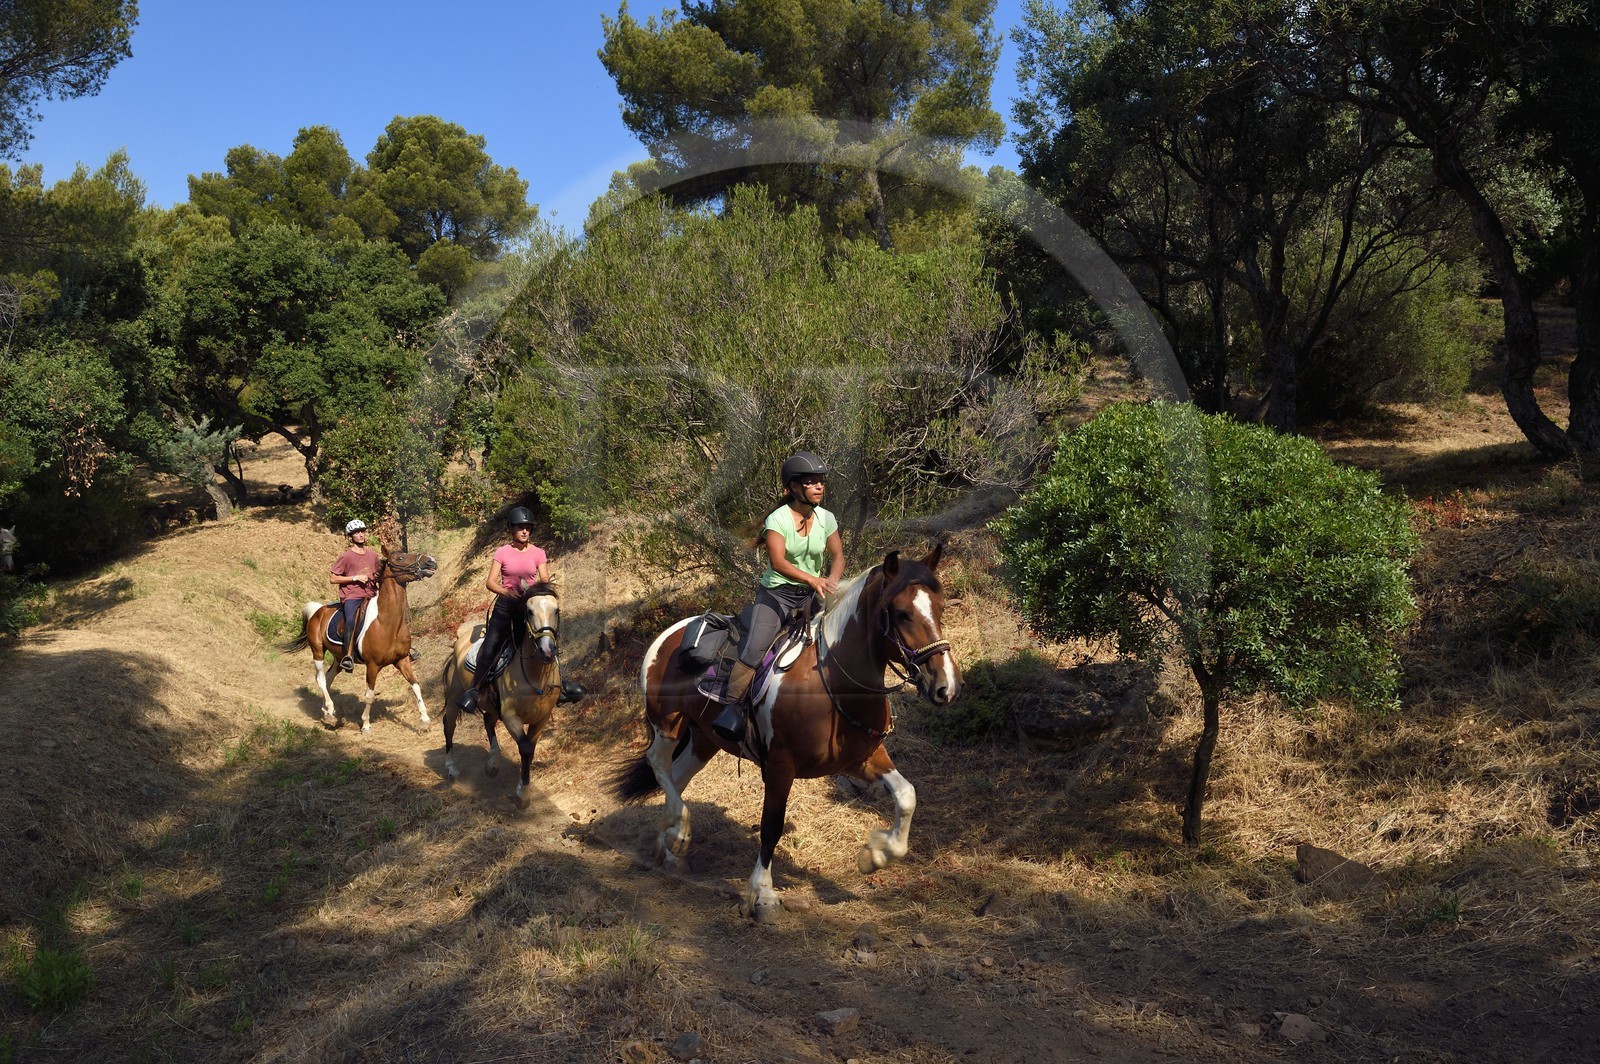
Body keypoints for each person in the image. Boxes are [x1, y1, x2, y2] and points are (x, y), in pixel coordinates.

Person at [710, 451, 844, 742]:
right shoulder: (777, 520)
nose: (819, 487)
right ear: (794, 488)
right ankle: (733, 709)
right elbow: (778, 563)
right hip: (777, 596)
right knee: (755, 649)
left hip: (812, 595)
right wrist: (813, 578)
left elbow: (838, 555)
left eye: (820, 482)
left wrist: (831, 582)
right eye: (811, 482)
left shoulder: (826, 518)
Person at [457, 505, 549, 712]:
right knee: (491, 646)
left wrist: (538, 591)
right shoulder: (502, 552)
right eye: (520, 527)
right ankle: (475, 690)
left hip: (529, 608)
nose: (524, 531)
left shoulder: (538, 553)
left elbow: (544, 579)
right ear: (512, 529)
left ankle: (558, 686)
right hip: (506, 607)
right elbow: (490, 582)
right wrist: (507, 593)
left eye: (528, 527)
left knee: (546, 640)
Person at [330, 518, 378, 672]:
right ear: (350, 536)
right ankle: (348, 655)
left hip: (371, 594)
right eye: (357, 533)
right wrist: (355, 577)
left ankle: (404, 648)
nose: (361, 535)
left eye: (362, 531)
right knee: (350, 619)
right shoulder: (346, 556)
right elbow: (333, 578)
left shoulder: (373, 555)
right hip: (352, 596)